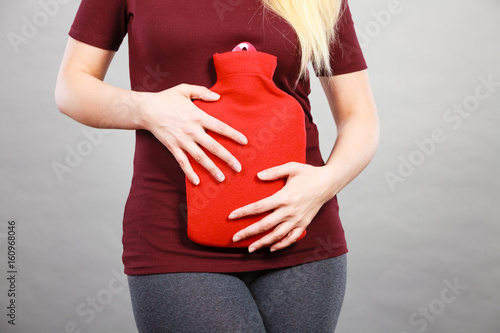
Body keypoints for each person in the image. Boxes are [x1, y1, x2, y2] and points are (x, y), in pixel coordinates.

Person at [55, 0, 379, 332]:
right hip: (174, 239)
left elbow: (360, 116)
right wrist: (146, 108)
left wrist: (324, 184)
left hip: (301, 232)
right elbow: (70, 86)